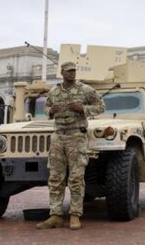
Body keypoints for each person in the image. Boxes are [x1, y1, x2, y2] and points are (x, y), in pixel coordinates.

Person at [37, 62, 105, 230]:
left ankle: (75, 215)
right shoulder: (54, 91)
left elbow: (101, 106)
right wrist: (51, 111)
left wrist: (83, 108)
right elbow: (45, 108)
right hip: (58, 135)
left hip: (77, 136)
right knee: (55, 177)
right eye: (69, 71)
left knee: (76, 178)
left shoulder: (85, 90)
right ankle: (55, 215)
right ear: (62, 73)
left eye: (74, 71)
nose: (72, 74)